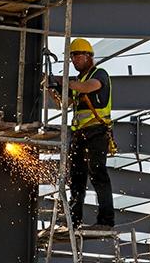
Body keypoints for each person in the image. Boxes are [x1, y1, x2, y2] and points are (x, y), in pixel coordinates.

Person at [47, 38, 115, 230]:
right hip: (79, 135)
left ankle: (106, 221)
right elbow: (64, 104)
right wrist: (54, 89)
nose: (74, 60)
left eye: (77, 56)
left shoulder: (98, 74)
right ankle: (73, 220)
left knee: (98, 174)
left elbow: (90, 87)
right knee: (76, 179)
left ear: (88, 56)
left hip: (97, 132)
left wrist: (63, 81)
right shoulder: (78, 81)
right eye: (72, 57)